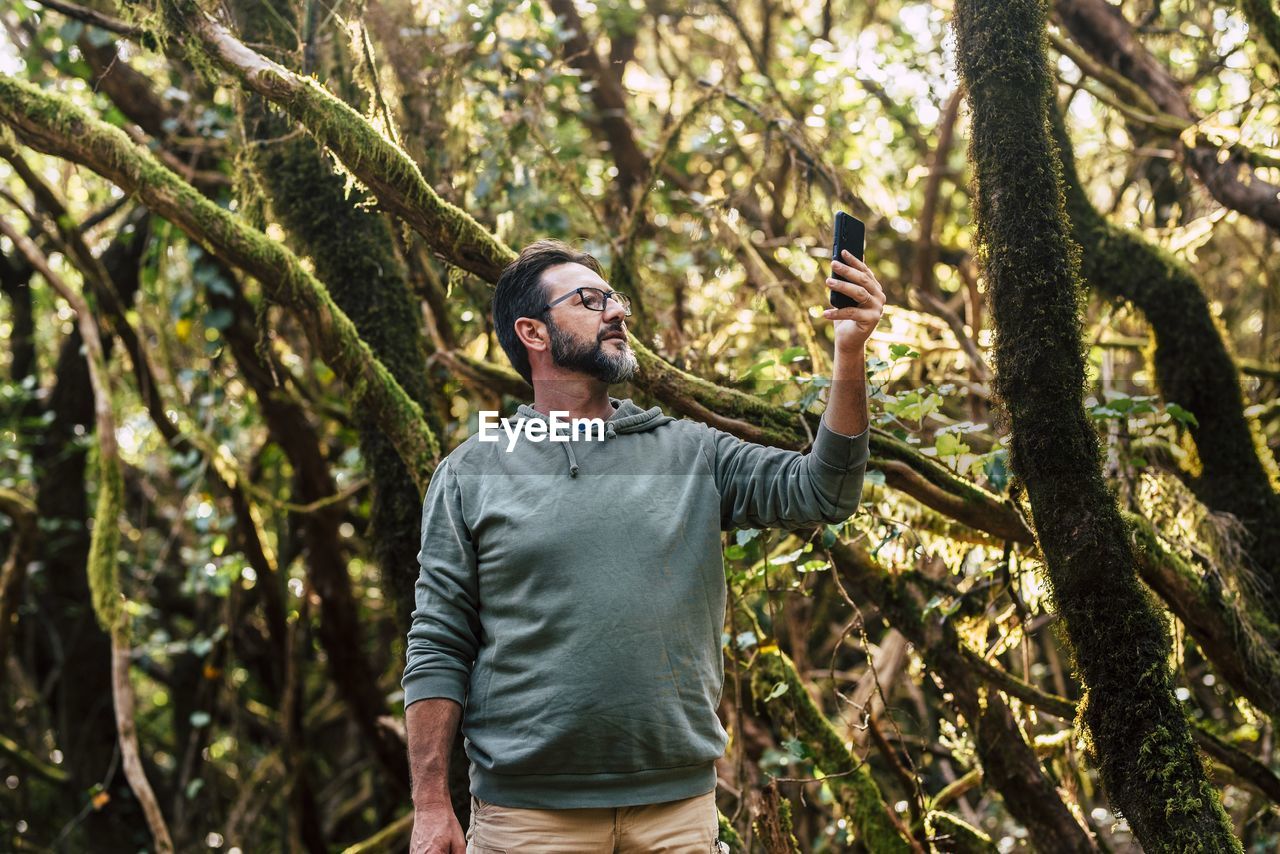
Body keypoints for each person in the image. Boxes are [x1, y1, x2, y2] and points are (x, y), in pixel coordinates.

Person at [404, 238, 885, 853]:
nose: (617, 312)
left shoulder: (692, 452)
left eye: (615, 298)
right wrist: (430, 806)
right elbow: (438, 643)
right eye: (590, 300)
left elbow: (825, 492)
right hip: (525, 819)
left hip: (677, 816)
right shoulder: (473, 472)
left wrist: (850, 353)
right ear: (533, 332)